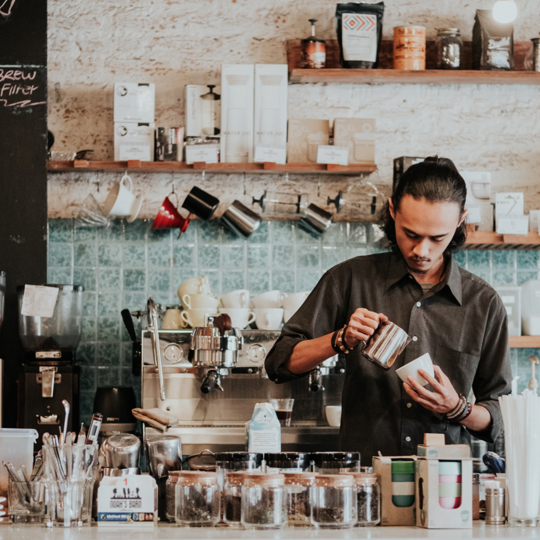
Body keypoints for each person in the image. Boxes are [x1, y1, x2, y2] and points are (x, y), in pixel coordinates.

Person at [265, 156, 512, 464]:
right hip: (362, 479)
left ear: (460, 220)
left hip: (442, 484)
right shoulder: (349, 279)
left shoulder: (483, 302)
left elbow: (501, 416)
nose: (422, 251)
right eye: (410, 234)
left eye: (437, 238)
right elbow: (279, 363)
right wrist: (340, 339)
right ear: (393, 211)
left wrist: (456, 408)